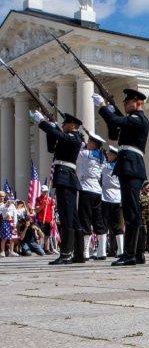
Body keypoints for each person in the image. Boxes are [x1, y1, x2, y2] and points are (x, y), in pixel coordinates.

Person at [94, 88, 149, 266]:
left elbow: (115, 119)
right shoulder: (131, 121)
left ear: (138, 103)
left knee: (132, 213)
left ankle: (131, 254)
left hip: (131, 167)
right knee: (132, 211)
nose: (124, 104)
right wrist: (110, 111)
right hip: (129, 166)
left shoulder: (138, 119)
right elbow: (114, 131)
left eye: (128, 101)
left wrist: (103, 107)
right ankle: (138, 254)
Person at [34, 112, 83, 264]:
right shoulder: (66, 138)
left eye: (65, 123)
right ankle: (78, 254)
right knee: (72, 217)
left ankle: (67, 253)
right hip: (63, 178)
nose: (62, 126)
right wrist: (51, 127)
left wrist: (44, 123)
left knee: (68, 217)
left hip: (66, 178)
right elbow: (51, 147)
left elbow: (61, 136)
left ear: (73, 125)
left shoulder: (76, 138)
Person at [77, 132, 108, 261]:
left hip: (86, 188)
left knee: (85, 220)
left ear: (93, 144)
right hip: (97, 190)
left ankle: (85, 252)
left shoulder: (86, 154)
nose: (88, 144)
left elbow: (76, 153)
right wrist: (85, 143)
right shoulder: (102, 156)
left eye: (90, 142)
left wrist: (81, 142)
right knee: (98, 221)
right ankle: (102, 252)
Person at [101, 145, 123, 257]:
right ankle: (120, 250)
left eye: (110, 154)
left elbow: (101, 167)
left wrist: (101, 154)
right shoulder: (119, 166)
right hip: (117, 197)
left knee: (105, 224)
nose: (108, 155)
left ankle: (103, 251)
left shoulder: (107, 167)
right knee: (116, 225)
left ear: (114, 156)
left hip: (107, 197)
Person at [34, 185, 56, 254]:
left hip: (49, 219)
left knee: (47, 235)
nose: (45, 193)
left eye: (46, 191)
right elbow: (37, 210)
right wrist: (43, 205)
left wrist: (52, 219)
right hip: (41, 219)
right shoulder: (38, 199)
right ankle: (40, 248)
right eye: (44, 191)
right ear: (41, 191)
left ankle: (47, 249)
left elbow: (52, 210)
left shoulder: (50, 199)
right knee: (41, 234)